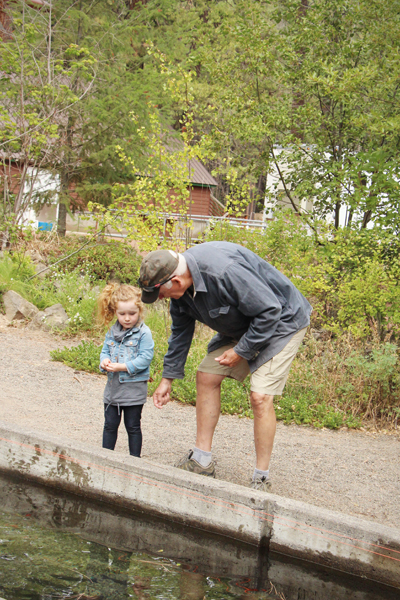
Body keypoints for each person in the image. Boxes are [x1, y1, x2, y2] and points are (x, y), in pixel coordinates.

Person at [138, 241, 312, 490]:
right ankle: (201, 461)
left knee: (260, 397)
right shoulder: (180, 291)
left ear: (176, 282)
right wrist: (168, 378)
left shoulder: (223, 271)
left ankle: (261, 478)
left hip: (283, 321)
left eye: (162, 294)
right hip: (246, 323)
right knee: (206, 375)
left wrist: (241, 351)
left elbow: (269, 311)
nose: (163, 299)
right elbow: (180, 334)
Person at [98, 283, 154, 458]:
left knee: (133, 426)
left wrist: (123, 367)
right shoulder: (111, 332)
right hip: (113, 390)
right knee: (110, 425)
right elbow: (105, 350)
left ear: (140, 311)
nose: (127, 318)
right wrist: (104, 361)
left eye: (132, 313)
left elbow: (145, 358)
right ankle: (105, 457)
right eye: (122, 314)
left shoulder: (144, 333)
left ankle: (134, 460)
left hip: (133, 390)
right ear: (115, 312)